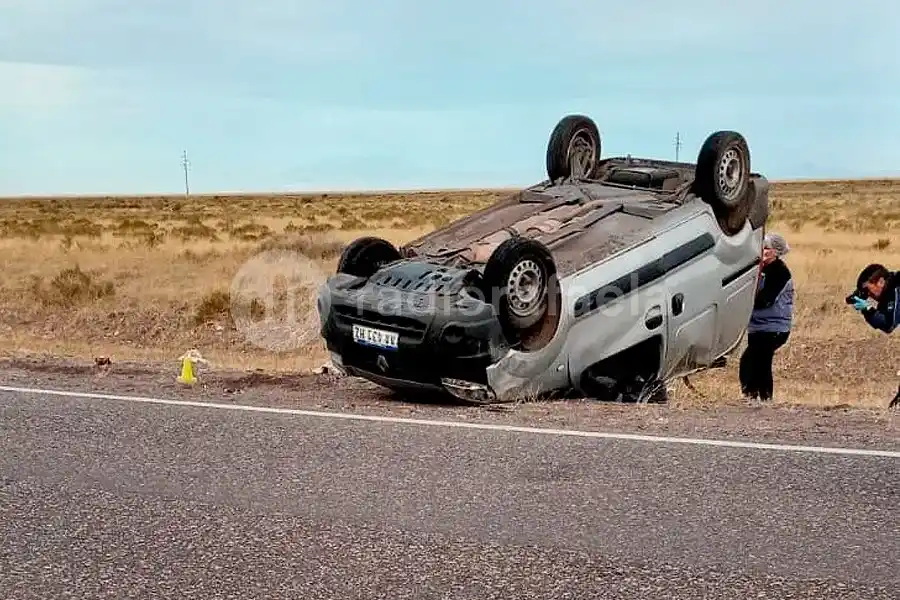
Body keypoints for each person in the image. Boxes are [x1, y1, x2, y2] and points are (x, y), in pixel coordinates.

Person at [739, 232, 794, 401]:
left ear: (776, 252)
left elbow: (766, 300)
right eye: (762, 247)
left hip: (774, 328)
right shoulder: (759, 268)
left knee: (758, 361)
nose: (763, 250)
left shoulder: (780, 273)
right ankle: (753, 397)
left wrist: (744, 300)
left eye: (767, 248)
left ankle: (763, 398)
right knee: (751, 361)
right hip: (758, 327)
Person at [848, 264, 898, 408]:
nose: (869, 295)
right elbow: (884, 323)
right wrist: (867, 310)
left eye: (868, 289)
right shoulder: (889, 291)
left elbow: (888, 324)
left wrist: (868, 308)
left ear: (881, 281)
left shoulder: (896, 289)